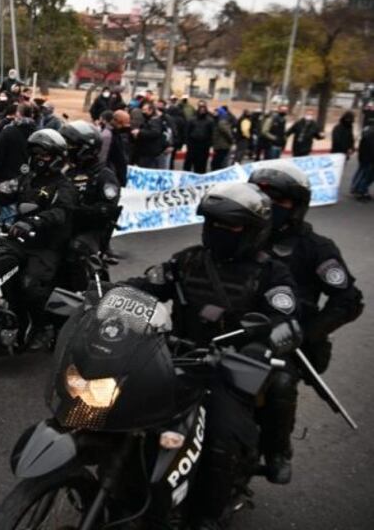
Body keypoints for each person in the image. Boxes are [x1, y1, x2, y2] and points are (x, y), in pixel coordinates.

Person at [124, 182, 301, 527]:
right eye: (213, 222)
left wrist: (258, 348)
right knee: (118, 411)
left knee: (221, 439)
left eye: (229, 226)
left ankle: (206, 516)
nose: (218, 230)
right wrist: (110, 295)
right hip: (174, 360)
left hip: (229, 371)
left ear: (253, 231)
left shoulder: (271, 273)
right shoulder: (187, 260)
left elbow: (288, 322)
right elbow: (147, 285)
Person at [248, 161, 363, 484]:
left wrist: (305, 333)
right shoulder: (241, 233)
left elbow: (348, 301)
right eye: (262, 196)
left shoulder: (316, 248)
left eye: (279, 200)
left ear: (297, 206)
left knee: (280, 384)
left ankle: (277, 450)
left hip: (287, 343)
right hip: (235, 328)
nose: (269, 205)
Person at [8, 129, 78, 348]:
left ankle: (43, 327)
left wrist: (34, 222)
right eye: (35, 154)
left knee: (30, 286)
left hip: (47, 245)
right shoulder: (27, 179)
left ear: (57, 158)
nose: (38, 159)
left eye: (44, 154)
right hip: (20, 240)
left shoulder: (64, 186)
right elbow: (2, 192)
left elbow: (61, 212)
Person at [62, 120, 121, 260]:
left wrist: (77, 210)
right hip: (65, 226)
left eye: (70, 145)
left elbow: (108, 208)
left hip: (90, 230)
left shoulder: (104, 175)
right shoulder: (67, 171)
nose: (67, 149)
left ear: (84, 149)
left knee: (74, 250)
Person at [131, 101, 165, 168]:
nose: (143, 112)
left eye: (145, 110)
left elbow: (155, 132)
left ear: (151, 110)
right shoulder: (147, 120)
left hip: (150, 153)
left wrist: (139, 132)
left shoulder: (154, 120)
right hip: (145, 152)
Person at [183, 101, 214, 173]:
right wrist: (186, 143)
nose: (202, 110)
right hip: (192, 145)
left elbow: (212, 133)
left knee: (201, 165)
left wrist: (210, 144)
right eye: (201, 108)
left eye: (204, 108)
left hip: (204, 146)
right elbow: (187, 132)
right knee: (188, 164)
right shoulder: (192, 119)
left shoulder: (210, 121)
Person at [352, 122, 374, 200]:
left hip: (366, 158)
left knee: (366, 175)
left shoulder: (368, 132)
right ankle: (360, 191)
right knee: (366, 176)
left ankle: (360, 190)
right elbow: (369, 149)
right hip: (369, 159)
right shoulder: (370, 135)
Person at [211, 106, 235, 170]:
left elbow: (228, 133)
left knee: (220, 162)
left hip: (222, 146)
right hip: (219, 146)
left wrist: (232, 141)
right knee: (217, 162)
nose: (214, 113)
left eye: (216, 112)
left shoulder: (221, 123)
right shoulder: (217, 121)